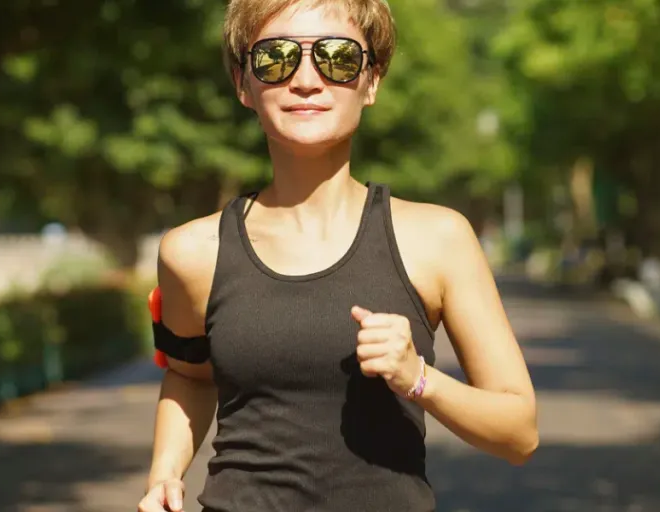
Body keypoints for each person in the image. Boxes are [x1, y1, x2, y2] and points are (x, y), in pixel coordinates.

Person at [137, 1, 538, 511]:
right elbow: (190, 377)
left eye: (337, 57)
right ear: (243, 83)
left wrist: (418, 378)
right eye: (276, 58)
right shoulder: (191, 253)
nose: (306, 79)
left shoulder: (438, 239)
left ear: (371, 82)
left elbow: (519, 433)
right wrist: (164, 475)